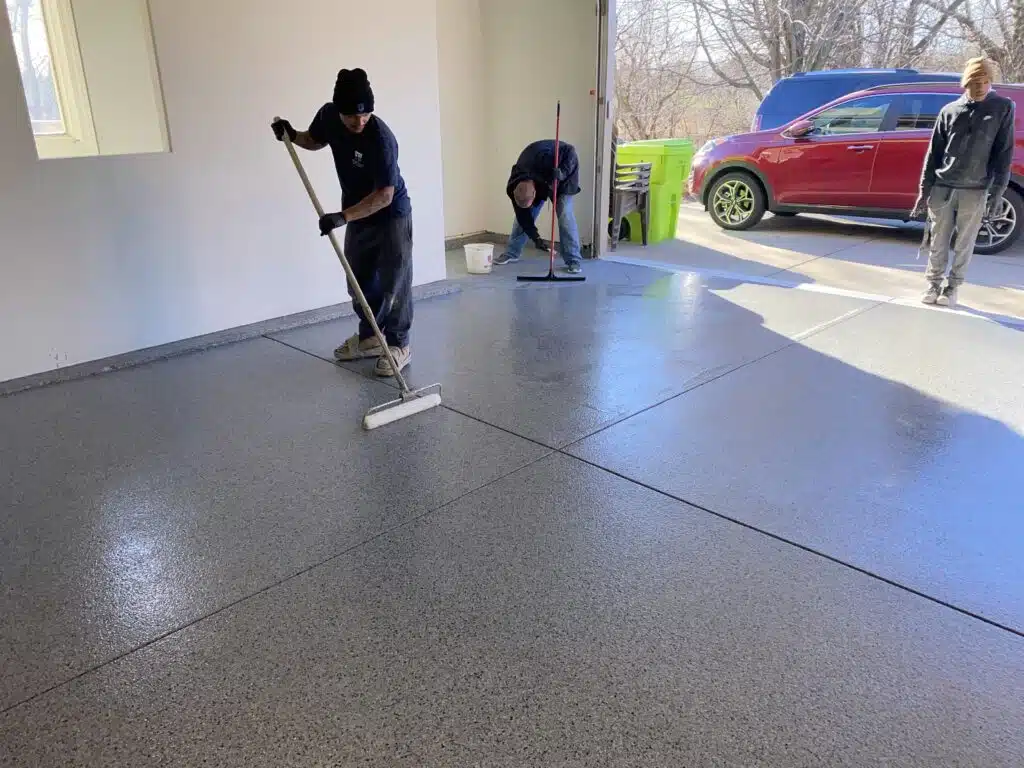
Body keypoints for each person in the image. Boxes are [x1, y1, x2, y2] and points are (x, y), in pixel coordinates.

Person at [271, 68, 414, 376]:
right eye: (351, 116)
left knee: (395, 281)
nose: (359, 122)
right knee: (358, 278)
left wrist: (342, 217)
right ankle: (371, 337)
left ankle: (398, 344)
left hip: (390, 214)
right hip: (358, 211)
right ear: (338, 110)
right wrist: (292, 135)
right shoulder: (328, 117)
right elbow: (314, 140)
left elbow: (385, 195)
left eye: (365, 115)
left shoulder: (381, 139)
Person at [911, 57, 1015, 309]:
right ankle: (933, 283)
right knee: (938, 240)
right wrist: (924, 190)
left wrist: (997, 192)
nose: (980, 87)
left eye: (985, 82)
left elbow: (1003, 153)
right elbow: (934, 153)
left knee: (964, 243)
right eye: (975, 82)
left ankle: (952, 287)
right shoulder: (950, 110)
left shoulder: (1002, 108)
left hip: (975, 189)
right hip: (943, 186)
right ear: (965, 83)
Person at [494, 140, 583, 274]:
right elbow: (523, 217)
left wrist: (562, 173)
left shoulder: (545, 159)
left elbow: (571, 150)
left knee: (565, 215)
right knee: (521, 220)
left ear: (535, 193)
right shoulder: (514, 186)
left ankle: (573, 259)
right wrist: (537, 239)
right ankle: (512, 252)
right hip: (544, 178)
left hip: (563, 174)